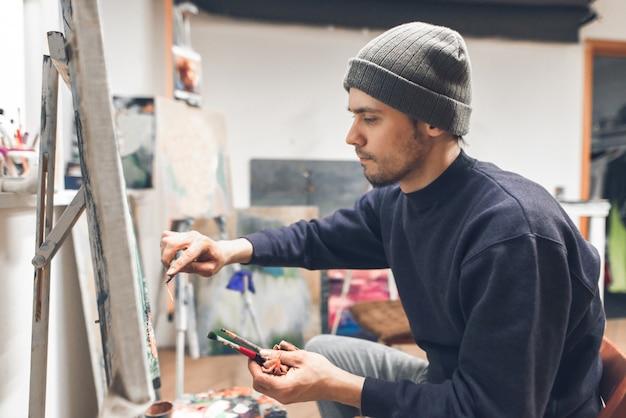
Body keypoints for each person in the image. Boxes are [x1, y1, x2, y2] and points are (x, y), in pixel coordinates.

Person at [161, 21, 606, 418]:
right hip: (449, 384)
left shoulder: (510, 234)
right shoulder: (401, 199)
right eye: (354, 116)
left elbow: (494, 410)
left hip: (503, 407)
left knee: (329, 372)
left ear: (432, 121)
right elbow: (318, 239)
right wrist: (228, 250)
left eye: (370, 118)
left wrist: (334, 385)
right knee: (322, 350)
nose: (352, 136)